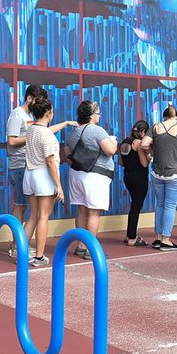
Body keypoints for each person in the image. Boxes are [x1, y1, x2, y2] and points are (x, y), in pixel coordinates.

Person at [141, 105, 177, 251]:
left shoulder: (155, 128)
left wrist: (154, 151)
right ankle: (166, 239)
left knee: (160, 204)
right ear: (176, 116)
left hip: (157, 171)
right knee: (170, 206)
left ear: (164, 116)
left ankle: (158, 237)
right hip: (176, 172)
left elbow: (143, 144)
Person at [65, 100, 117, 259]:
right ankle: (91, 249)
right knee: (94, 213)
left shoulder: (74, 132)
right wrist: (113, 141)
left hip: (76, 174)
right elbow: (110, 150)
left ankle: (81, 245)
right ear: (91, 115)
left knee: (81, 210)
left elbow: (67, 155)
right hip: (95, 176)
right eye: (98, 113)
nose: (99, 115)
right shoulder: (96, 130)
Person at [5, 84, 47, 259]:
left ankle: (20, 243)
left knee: (27, 206)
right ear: (29, 98)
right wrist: (32, 135)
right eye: (37, 101)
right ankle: (16, 246)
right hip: (19, 165)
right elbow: (12, 141)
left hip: (30, 164)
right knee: (20, 206)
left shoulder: (31, 115)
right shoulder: (17, 115)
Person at [22, 97, 64, 267]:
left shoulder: (31, 130)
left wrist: (66, 123)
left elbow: (46, 130)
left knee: (33, 215)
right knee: (44, 217)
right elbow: (50, 162)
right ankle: (39, 257)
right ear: (48, 113)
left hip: (29, 174)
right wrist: (59, 186)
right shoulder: (47, 135)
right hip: (43, 176)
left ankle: (22, 253)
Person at [119, 120, 150, 246]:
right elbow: (144, 163)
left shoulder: (123, 142)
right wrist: (148, 155)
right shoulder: (138, 143)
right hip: (139, 177)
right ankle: (132, 237)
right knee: (136, 206)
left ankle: (129, 234)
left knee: (134, 205)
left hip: (128, 176)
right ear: (143, 132)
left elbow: (121, 162)